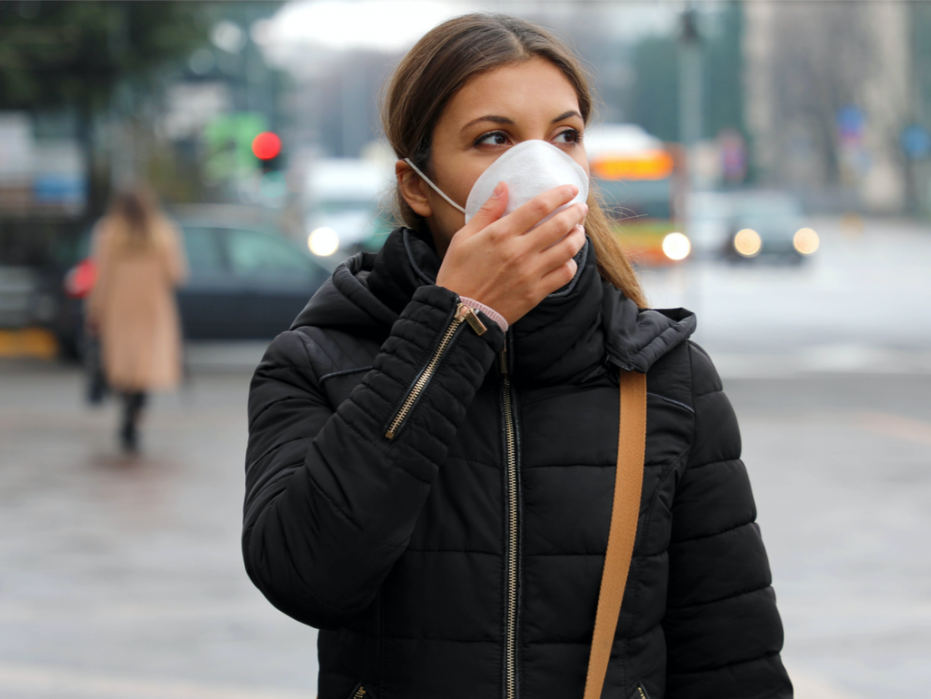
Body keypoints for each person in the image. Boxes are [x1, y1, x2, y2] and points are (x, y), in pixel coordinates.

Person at [244, 13, 792, 699]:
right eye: (494, 139)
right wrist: (454, 328)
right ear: (418, 185)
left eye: (565, 136)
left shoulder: (665, 375)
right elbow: (307, 575)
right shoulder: (318, 360)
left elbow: (732, 659)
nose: (543, 167)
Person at [86, 186, 186, 453]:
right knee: (145, 368)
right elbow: (177, 274)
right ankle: (135, 416)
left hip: (119, 308)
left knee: (123, 366)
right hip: (154, 309)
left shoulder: (108, 232)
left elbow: (102, 276)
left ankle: (126, 410)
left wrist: (94, 310)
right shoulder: (165, 233)